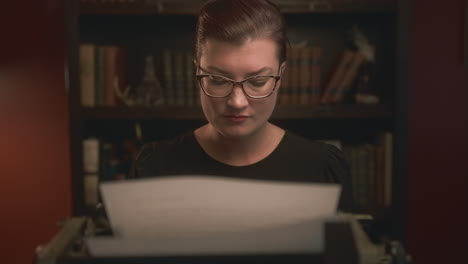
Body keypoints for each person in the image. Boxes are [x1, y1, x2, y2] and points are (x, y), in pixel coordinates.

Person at [129, 0, 354, 212]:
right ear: (198, 72)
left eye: (257, 82)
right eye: (217, 80)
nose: (237, 102)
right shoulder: (153, 168)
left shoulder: (322, 170)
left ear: (281, 76)